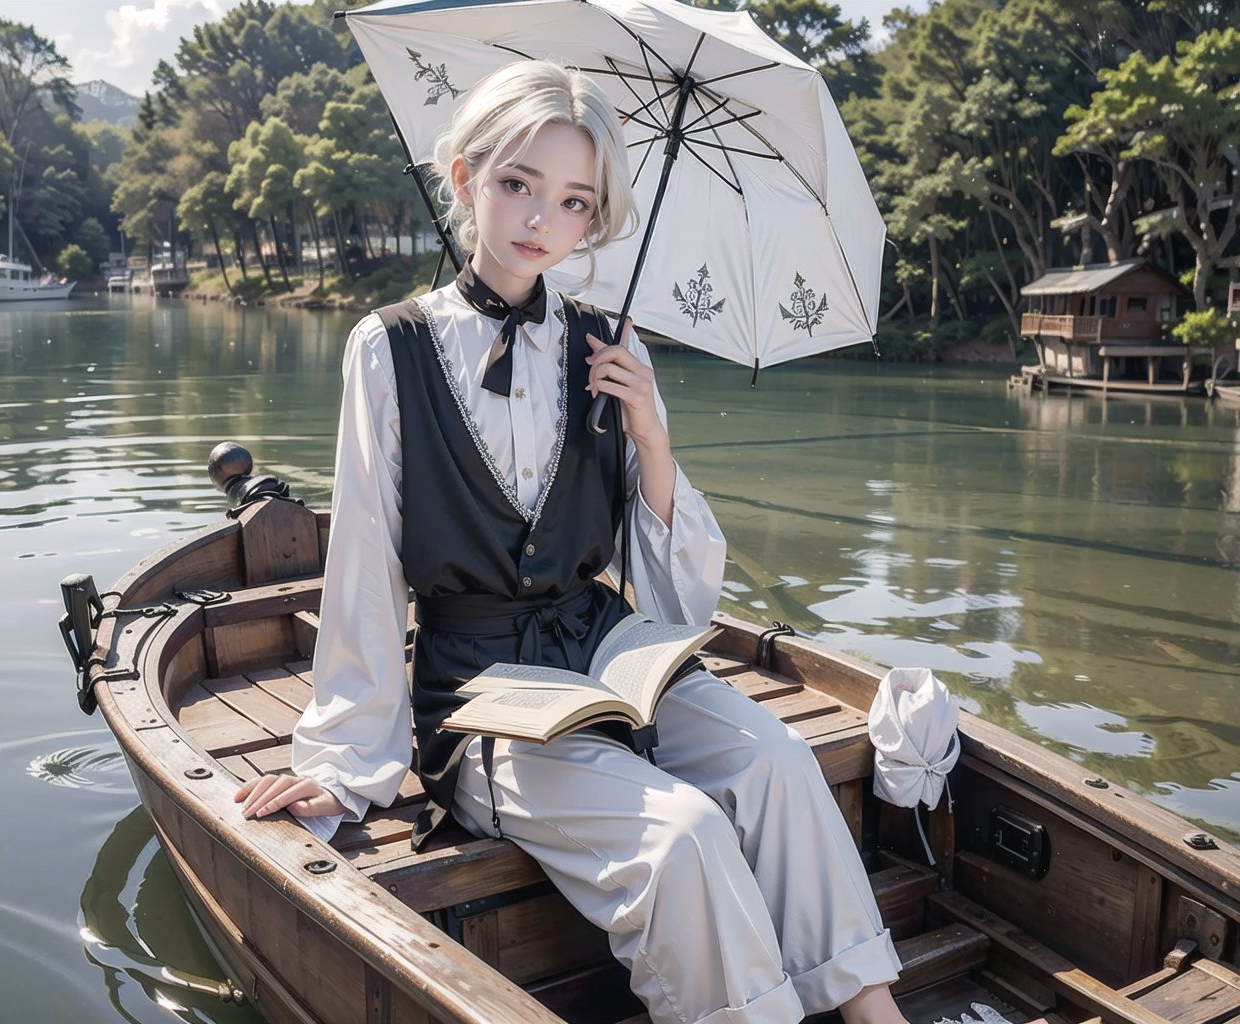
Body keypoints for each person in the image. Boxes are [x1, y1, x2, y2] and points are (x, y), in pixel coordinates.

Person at [234, 59, 907, 1024]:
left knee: (779, 764)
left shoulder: (611, 344)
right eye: (518, 184)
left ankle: (870, 1008)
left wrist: (650, 435)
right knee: (679, 838)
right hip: (480, 683)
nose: (540, 219)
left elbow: (675, 601)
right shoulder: (390, 347)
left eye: (573, 201)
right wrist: (344, 763)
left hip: (607, 644)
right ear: (466, 180)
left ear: (596, 219)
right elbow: (368, 562)